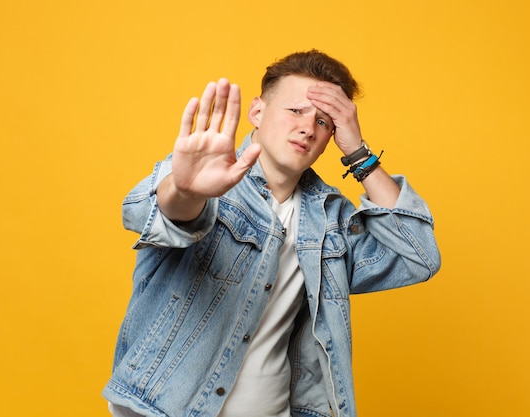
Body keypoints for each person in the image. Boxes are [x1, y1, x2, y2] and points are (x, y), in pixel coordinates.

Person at [103, 50, 441, 417]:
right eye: (296, 111)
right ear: (258, 112)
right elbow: (150, 214)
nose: (308, 128)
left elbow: (420, 256)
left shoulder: (329, 218)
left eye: (325, 122)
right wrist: (184, 191)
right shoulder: (207, 176)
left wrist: (359, 154)